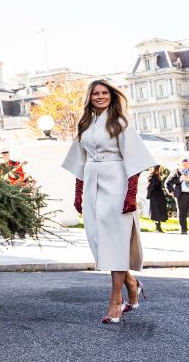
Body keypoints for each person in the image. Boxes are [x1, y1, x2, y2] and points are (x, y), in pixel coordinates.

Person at [61, 79, 155, 324]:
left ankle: (116, 301)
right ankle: (131, 283)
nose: (100, 96)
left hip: (117, 183)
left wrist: (131, 194)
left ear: (112, 96)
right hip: (92, 182)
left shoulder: (120, 122)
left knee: (115, 242)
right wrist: (78, 193)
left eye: (105, 93)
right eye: (96, 93)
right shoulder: (85, 124)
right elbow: (79, 161)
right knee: (98, 240)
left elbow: (134, 160)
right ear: (89, 98)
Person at [165, 158, 189, 234]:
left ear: (188, 164)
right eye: (183, 164)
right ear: (180, 165)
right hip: (180, 195)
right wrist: (179, 180)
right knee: (181, 213)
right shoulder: (176, 172)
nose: (184, 165)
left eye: (186, 164)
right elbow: (168, 182)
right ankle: (183, 229)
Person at [146, 165, 167, 233]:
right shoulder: (153, 176)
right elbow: (150, 186)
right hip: (155, 197)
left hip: (159, 196)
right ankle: (158, 227)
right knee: (156, 212)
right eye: (158, 169)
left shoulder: (156, 176)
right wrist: (149, 196)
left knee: (159, 212)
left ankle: (158, 227)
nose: (159, 170)